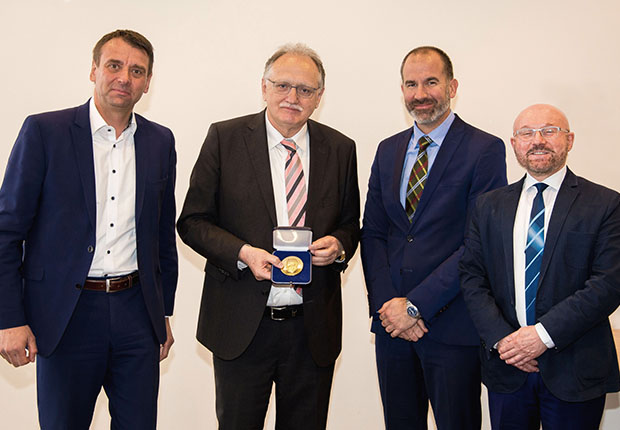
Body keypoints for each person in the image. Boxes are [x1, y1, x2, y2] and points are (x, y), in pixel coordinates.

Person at [0, 29, 178, 429]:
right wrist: (9, 318)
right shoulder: (45, 132)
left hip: (137, 314)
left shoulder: (160, 142)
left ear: (148, 82)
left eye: (137, 71)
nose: (124, 78)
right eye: (114, 66)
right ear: (94, 69)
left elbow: (161, 236)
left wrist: (162, 313)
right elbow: (7, 232)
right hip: (66, 315)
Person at [177, 43, 359, 429]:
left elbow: (350, 224)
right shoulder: (225, 138)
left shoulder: (341, 149)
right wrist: (243, 253)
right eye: (282, 86)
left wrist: (340, 245)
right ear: (263, 87)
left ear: (319, 98)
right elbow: (192, 222)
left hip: (312, 329)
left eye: (305, 90)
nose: (292, 97)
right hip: (242, 325)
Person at [360, 46, 507, 429]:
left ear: (452, 86)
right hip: (392, 327)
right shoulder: (387, 149)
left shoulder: (484, 150)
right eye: (411, 84)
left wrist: (416, 306)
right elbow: (373, 233)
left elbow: (479, 242)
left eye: (431, 82)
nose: (420, 93)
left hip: (451, 325)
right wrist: (390, 306)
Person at [460, 103, 620, 429]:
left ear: (570, 140)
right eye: (526, 133)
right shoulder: (488, 206)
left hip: (575, 368)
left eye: (549, 131)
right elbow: (472, 276)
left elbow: (608, 283)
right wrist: (503, 340)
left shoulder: (605, 204)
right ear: (514, 142)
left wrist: (542, 336)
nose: (538, 140)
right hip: (508, 368)